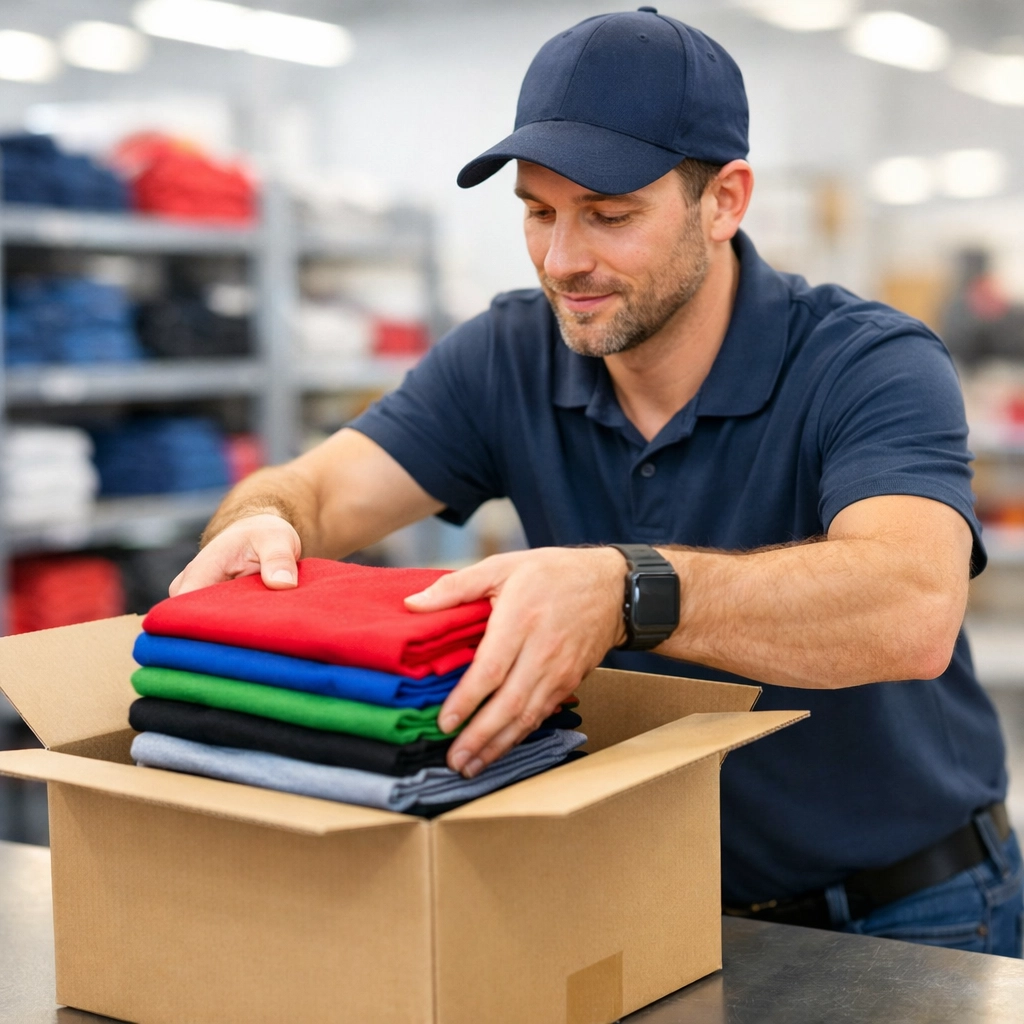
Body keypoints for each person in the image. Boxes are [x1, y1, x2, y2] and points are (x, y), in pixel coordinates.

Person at [172, 9, 1021, 955]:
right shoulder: (506, 355)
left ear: (725, 200)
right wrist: (261, 519)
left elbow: (910, 604)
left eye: (610, 216)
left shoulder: (866, 362)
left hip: (909, 916)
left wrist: (627, 591)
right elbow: (317, 492)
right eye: (538, 212)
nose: (562, 260)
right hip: (645, 902)